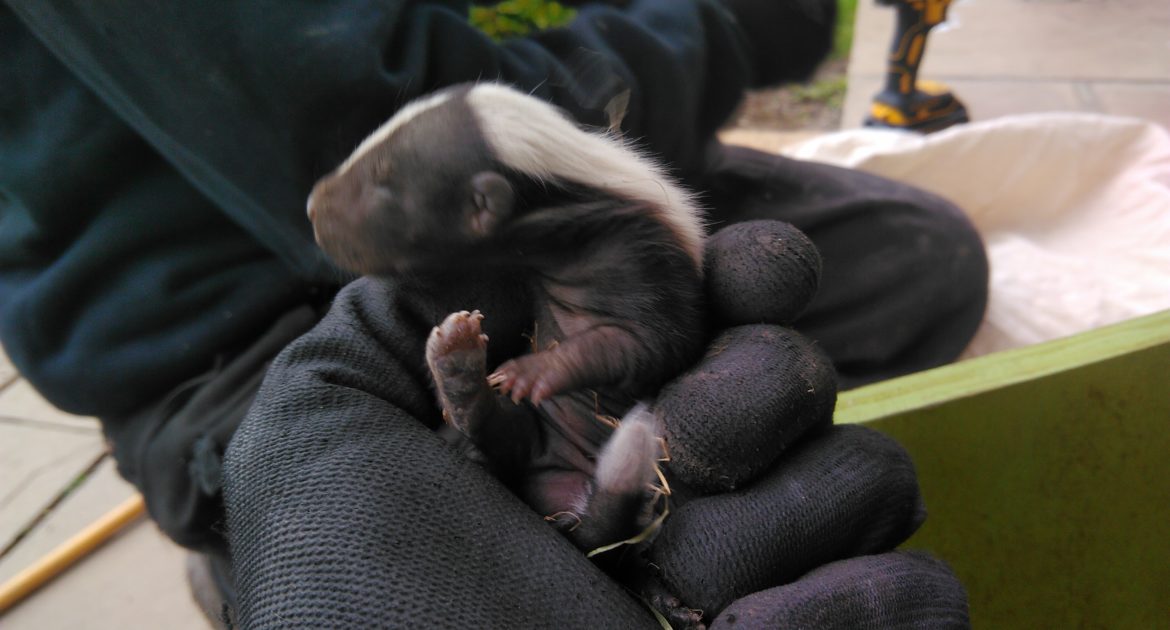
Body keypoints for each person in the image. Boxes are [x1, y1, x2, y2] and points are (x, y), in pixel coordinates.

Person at [0, 0, 986, 627]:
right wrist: (730, 24)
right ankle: (251, 543)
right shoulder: (438, 194)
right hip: (243, 318)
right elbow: (367, 121)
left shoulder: (564, 230)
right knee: (420, 487)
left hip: (525, 229)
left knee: (920, 258)